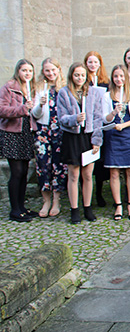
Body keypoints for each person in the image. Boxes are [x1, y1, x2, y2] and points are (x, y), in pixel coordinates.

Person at [57, 62, 103, 224]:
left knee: (88, 175)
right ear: (71, 76)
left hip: (88, 137)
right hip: (72, 137)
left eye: (83, 75)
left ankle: (88, 207)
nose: (80, 78)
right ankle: (74, 209)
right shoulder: (63, 93)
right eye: (77, 75)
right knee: (74, 174)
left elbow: (98, 118)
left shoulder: (93, 93)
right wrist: (74, 119)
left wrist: (97, 140)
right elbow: (61, 118)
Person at [0, 59, 38, 222]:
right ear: (18, 71)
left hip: (26, 133)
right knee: (16, 172)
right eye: (24, 70)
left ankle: (22, 207)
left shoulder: (32, 89)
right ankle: (15, 210)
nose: (27, 74)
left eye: (30, 71)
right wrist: (22, 109)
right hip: (12, 133)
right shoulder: (9, 87)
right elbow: (2, 109)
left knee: (24, 172)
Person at [102, 65, 130, 220]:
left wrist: (123, 125)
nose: (119, 79)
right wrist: (113, 112)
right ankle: (118, 205)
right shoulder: (107, 96)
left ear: (126, 78)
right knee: (114, 171)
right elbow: (104, 119)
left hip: (128, 133)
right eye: (116, 76)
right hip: (113, 135)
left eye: (121, 76)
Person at [31, 58, 67, 218]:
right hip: (43, 131)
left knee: (58, 165)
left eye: (53, 70)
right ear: (43, 72)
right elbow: (35, 114)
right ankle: (46, 200)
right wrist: (40, 104)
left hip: (59, 131)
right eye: (47, 70)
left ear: (58, 70)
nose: (51, 73)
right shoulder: (38, 88)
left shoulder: (64, 88)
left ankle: (57, 200)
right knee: (43, 165)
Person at [84, 51, 110, 207]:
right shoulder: (83, 81)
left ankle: (99, 193)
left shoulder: (104, 83)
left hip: (100, 124)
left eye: (95, 62)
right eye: (90, 62)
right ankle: (85, 193)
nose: (92, 65)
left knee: (99, 161)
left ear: (100, 64)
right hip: (86, 125)